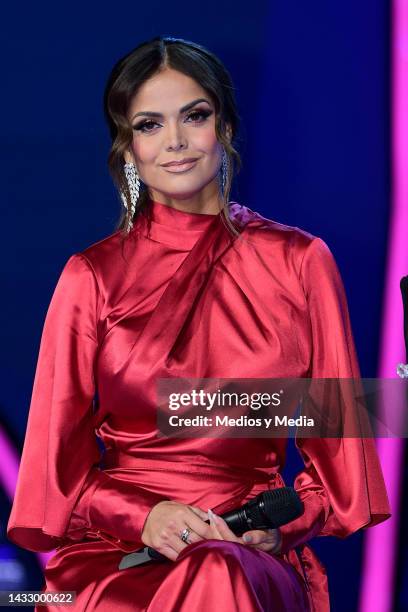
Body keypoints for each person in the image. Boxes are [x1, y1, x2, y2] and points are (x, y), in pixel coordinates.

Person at [7, 36, 391, 612]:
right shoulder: (91, 277)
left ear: (226, 129)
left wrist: (281, 528)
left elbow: (340, 454)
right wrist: (145, 516)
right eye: (149, 125)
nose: (176, 142)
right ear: (128, 150)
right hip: (119, 552)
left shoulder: (300, 262)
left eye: (195, 115)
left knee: (217, 570)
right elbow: (52, 472)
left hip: (248, 550)